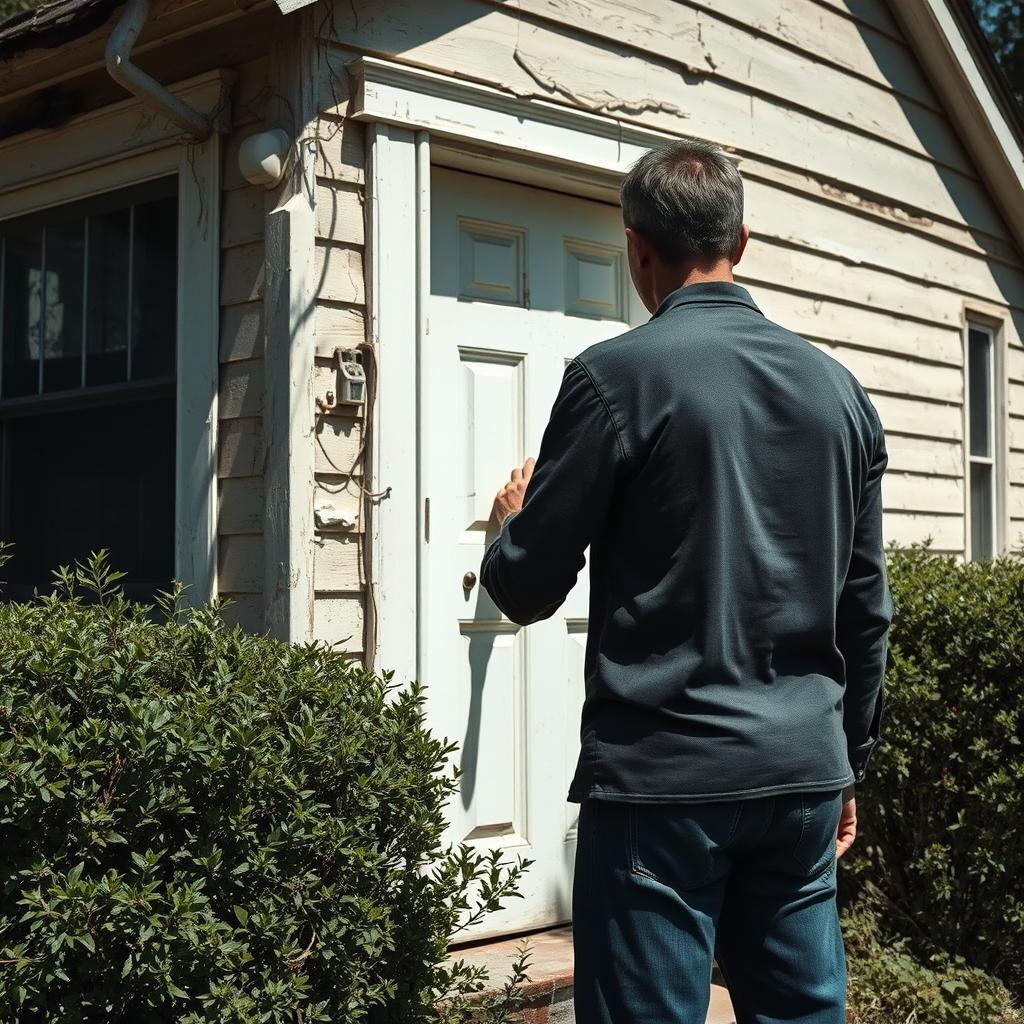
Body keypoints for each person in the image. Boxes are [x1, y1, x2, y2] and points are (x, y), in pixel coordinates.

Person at [479, 138, 893, 1024]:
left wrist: (510, 520)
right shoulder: (842, 393)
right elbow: (867, 609)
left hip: (664, 787)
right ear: (741, 240)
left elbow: (525, 588)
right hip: (800, 778)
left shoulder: (611, 380)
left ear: (637, 248)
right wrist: (845, 764)